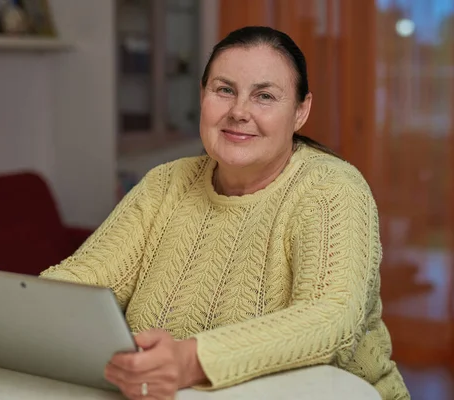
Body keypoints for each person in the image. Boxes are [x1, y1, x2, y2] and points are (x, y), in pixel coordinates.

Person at [40, 26, 410, 400]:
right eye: (224, 90)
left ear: (300, 112)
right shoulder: (164, 183)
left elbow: (330, 322)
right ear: (202, 97)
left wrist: (191, 360)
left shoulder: (331, 188)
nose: (238, 112)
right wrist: (30, 305)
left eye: (264, 96)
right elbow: (86, 279)